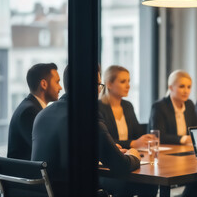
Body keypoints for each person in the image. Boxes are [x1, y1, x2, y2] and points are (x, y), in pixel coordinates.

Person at [32, 66, 155, 197]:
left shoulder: (42, 114)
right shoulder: (87, 115)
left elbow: (64, 154)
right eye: (98, 84)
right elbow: (121, 166)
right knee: (147, 184)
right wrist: (134, 155)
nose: (99, 90)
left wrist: (104, 150)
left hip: (44, 192)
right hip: (75, 191)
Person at [8, 63, 62, 160]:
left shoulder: (32, 107)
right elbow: (44, 149)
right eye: (57, 82)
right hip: (26, 173)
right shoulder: (29, 112)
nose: (60, 87)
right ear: (44, 84)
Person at [98, 65, 154, 149]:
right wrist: (132, 143)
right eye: (123, 81)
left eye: (129, 81)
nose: (128, 86)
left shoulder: (128, 106)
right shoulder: (98, 107)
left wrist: (146, 139)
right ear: (109, 84)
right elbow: (104, 141)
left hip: (130, 155)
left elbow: (137, 135)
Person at [149, 70, 197, 145]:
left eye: (189, 87)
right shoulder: (159, 106)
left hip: (185, 148)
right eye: (182, 86)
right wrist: (183, 139)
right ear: (171, 87)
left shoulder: (189, 104)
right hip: (167, 151)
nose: (186, 91)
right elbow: (158, 136)